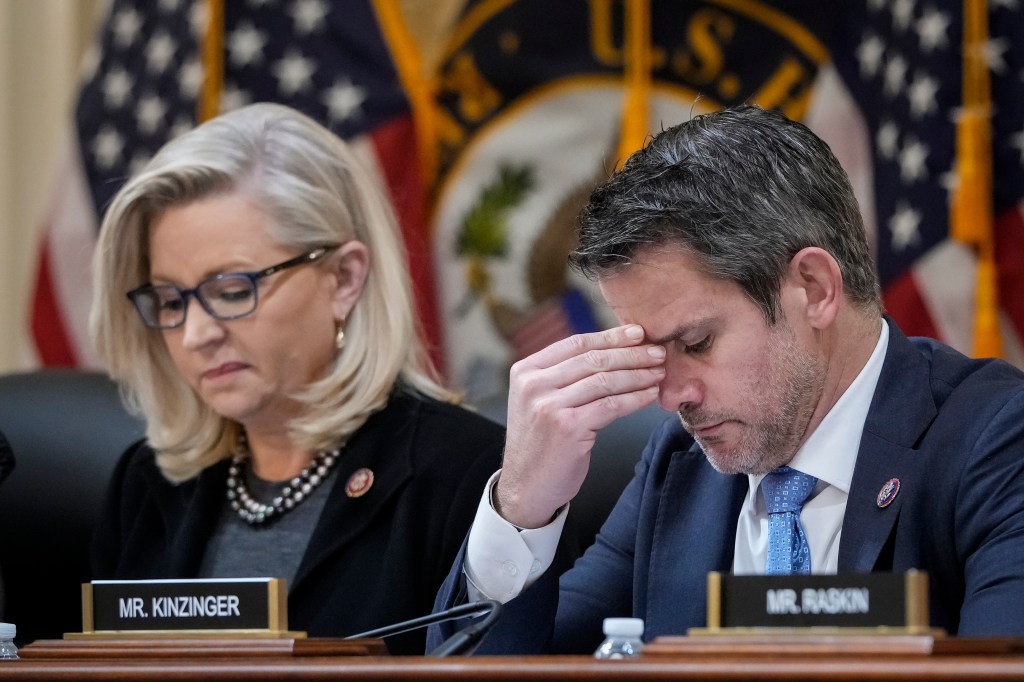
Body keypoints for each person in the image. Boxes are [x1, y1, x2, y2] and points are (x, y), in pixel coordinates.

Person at [428, 104, 1024, 653]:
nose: (669, 397)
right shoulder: (679, 464)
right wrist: (523, 508)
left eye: (695, 343)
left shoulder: (995, 442)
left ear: (814, 289)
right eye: (651, 352)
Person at [89, 102, 505, 655]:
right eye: (169, 300)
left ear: (343, 279)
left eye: (232, 290)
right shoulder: (147, 484)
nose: (194, 334)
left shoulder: (467, 475)